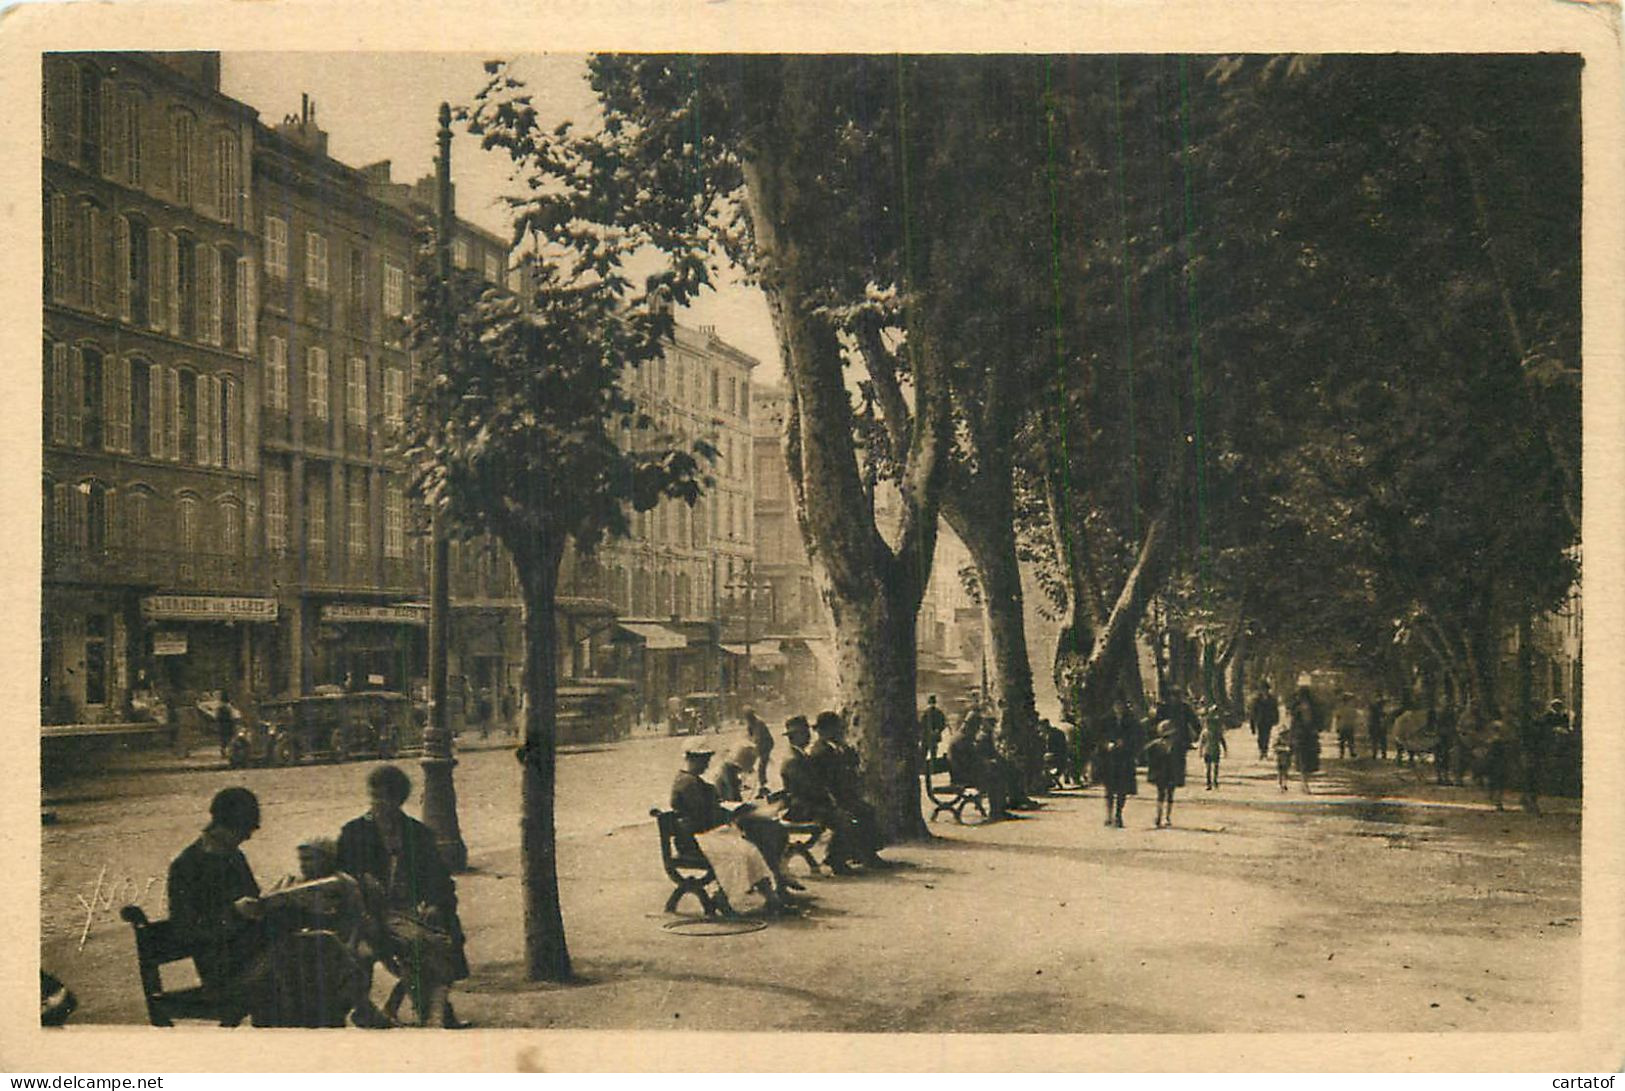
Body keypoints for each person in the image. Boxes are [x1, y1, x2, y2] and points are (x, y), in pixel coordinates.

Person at [337, 765, 471, 1028]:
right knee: (420, 944)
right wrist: (363, 882)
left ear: (398, 800)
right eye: (373, 796)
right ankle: (434, 1010)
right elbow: (343, 877)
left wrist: (434, 903)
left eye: (383, 797)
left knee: (440, 937)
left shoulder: (416, 833)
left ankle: (429, 1006)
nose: (377, 804)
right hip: (367, 914)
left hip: (408, 910)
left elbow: (439, 879)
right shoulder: (354, 832)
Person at [167, 787, 271, 1024]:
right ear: (223, 827)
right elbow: (185, 929)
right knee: (293, 967)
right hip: (221, 967)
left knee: (309, 954)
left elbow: (253, 900)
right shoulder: (187, 865)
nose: (248, 837)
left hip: (250, 954)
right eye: (245, 830)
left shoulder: (234, 855)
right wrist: (234, 913)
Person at [670, 747, 797, 914]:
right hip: (695, 839)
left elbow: (708, 810)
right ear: (692, 759)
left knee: (750, 851)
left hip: (704, 835)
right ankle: (722, 897)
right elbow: (702, 814)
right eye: (704, 760)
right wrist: (729, 813)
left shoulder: (692, 780)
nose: (706, 765)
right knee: (739, 854)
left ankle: (771, 898)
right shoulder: (687, 782)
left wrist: (728, 810)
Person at [808, 711, 890, 869]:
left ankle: (863, 853)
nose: (840, 731)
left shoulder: (833, 747)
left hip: (840, 797)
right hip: (831, 799)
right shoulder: (821, 751)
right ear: (827, 730)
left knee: (865, 811)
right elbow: (828, 780)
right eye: (837, 728)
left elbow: (848, 767)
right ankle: (853, 856)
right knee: (860, 813)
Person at [946, 716, 1012, 821]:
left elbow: (972, 760)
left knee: (997, 773)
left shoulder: (962, 737)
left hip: (961, 773)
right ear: (971, 726)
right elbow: (971, 762)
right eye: (976, 727)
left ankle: (998, 810)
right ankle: (996, 812)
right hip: (962, 777)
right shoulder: (962, 740)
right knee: (996, 777)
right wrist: (987, 763)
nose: (977, 730)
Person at [1520, 698, 1567, 816]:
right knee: (1531, 777)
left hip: (1538, 752)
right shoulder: (1530, 722)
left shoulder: (1541, 721)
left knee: (1536, 777)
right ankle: (1531, 802)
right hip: (1531, 752)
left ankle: (1529, 800)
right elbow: (1526, 738)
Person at [1099, 700, 1140, 828]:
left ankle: (1118, 815)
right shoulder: (1106, 720)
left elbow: (1138, 738)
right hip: (1109, 760)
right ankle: (1109, 815)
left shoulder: (1131, 721)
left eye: (1121, 705)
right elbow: (1098, 737)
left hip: (1125, 760)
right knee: (1109, 790)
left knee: (1123, 790)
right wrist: (1106, 744)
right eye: (1117, 705)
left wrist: (1127, 743)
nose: (1119, 708)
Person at [1143, 721, 1181, 828]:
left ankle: (1164, 817)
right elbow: (1146, 754)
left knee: (1167, 795)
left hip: (1170, 772)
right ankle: (1161, 816)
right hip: (1162, 772)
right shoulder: (1156, 745)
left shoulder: (1175, 745)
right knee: (1163, 794)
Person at [743, 707, 774, 794]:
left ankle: (763, 786)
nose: (748, 718)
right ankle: (746, 783)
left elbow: (758, 737)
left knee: (761, 767)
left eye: (749, 715)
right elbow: (749, 736)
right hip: (758, 745)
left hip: (766, 745)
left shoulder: (759, 723)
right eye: (746, 716)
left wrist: (756, 749)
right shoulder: (750, 724)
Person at [1248, 680, 1280, 760]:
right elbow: (1253, 712)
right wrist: (1252, 724)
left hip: (1268, 720)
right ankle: (1261, 750)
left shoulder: (1272, 699)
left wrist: (1276, 719)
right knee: (1260, 736)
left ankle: (1264, 750)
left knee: (1267, 736)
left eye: (1265, 689)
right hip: (1260, 720)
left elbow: (1275, 710)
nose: (1264, 691)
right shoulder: (1256, 700)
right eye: (1262, 689)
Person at [1197, 707, 1227, 790]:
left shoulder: (1215, 732)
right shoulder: (1205, 732)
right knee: (1209, 768)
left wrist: (1225, 750)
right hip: (1209, 751)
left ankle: (1214, 781)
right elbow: (1201, 743)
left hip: (1214, 750)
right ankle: (1209, 783)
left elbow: (1222, 741)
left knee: (1214, 768)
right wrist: (1200, 751)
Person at [918, 695, 948, 764]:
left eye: (932, 703)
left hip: (928, 737)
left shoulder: (926, 713)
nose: (932, 704)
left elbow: (920, 725)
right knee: (928, 754)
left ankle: (927, 769)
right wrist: (937, 730)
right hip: (928, 737)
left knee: (927, 754)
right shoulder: (936, 712)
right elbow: (943, 723)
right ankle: (928, 768)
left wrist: (937, 730)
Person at [1333, 692, 1361, 761]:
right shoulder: (1345, 707)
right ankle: (1345, 753)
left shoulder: (1342, 707)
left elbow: (1338, 716)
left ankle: (1348, 752)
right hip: (1345, 725)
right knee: (1346, 740)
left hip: (1346, 725)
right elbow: (1338, 717)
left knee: (1348, 740)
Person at [1271, 714, 1294, 791]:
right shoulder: (1278, 739)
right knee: (1280, 771)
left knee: (1286, 771)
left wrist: (1291, 751)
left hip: (1287, 757)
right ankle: (1280, 783)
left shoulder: (1289, 739)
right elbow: (1274, 747)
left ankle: (1284, 783)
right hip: (1280, 757)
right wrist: (1283, 748)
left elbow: (1292, 747)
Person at [215, 689, 238, 757]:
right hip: (228, 724)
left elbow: (217, 716)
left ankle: (225, 751)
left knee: (224, 739)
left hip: (223, 724)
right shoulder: (228, 706)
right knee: (228, 738)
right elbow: (232, 715)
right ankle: (227, 751)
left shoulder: (220, 706)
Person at [1367, 693, 1389, 760]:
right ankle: (1382, 754)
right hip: (1378, 726)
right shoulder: (1379, 711)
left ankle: (1376, 754)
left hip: (1375, 726)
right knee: (1382, 741)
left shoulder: (1374, 709)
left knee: (1375, 741)